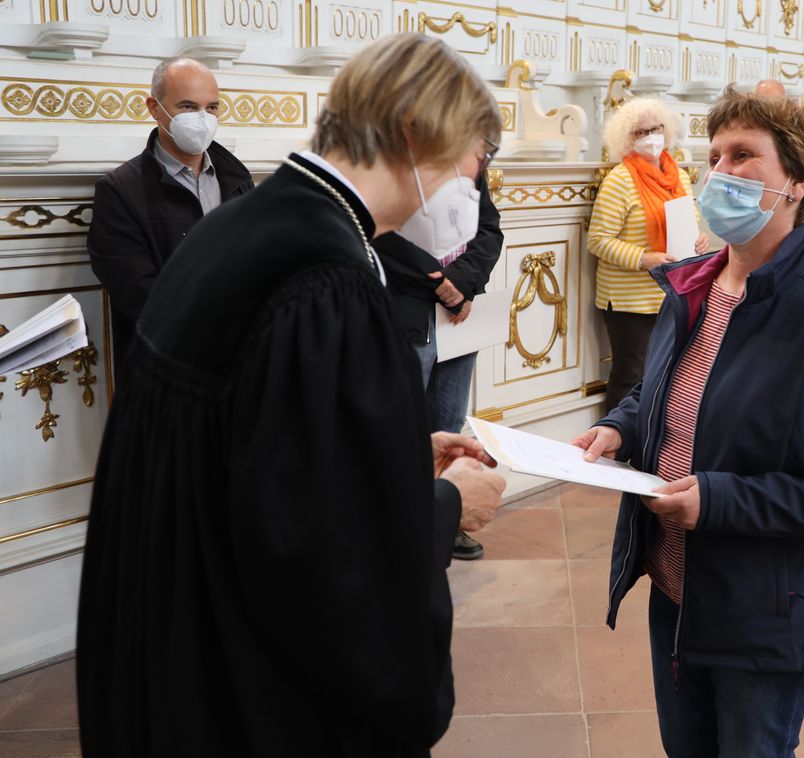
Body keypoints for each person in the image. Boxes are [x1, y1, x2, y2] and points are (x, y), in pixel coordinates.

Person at [76, 34, 507, 757]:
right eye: (474, 160)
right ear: (413, 133)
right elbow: (328, 558)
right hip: (251, 700)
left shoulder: (253, 226)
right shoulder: (325, 277)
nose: (474, 183)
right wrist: (449, 504)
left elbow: (264, 449)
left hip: (172, 657)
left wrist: (394, 450)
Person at [572, 88, 804, 757]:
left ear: (798, 182)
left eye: (745, 156)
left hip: (764, 612)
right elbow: (668, 392)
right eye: (715, 153)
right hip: (675, 587)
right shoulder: (693, 287)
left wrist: (724, 500)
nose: (719, 170)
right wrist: (621, 425)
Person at [87, 56, 253, 378]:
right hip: (167, 372)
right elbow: (139, 295)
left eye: (212, 108)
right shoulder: (120, 190)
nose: (203, 119)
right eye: (188, 107)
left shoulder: (238, 179)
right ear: (154, 107)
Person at [375, 168, 503, 561]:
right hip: (409, 308)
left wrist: (460, 283)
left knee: (449, 422)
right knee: (403, 425)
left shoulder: (467, 163)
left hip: (459, 315)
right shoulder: (390, 163)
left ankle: (444, 520)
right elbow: (383, 235)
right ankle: (396, 529)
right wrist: (437, 283)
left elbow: (489, 230)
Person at [588, 97, 707, 413]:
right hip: (629, 300)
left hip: (670, 293)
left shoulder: (678, 174)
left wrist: (699, 240)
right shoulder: (619, 180)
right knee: (630, 376)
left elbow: (690, 219)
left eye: (656, 128)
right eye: (641, 132)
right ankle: (612, 445)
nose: (651, 137)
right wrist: (644, 258)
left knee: (669, 374)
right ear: (627, 139)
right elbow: (598, 241)